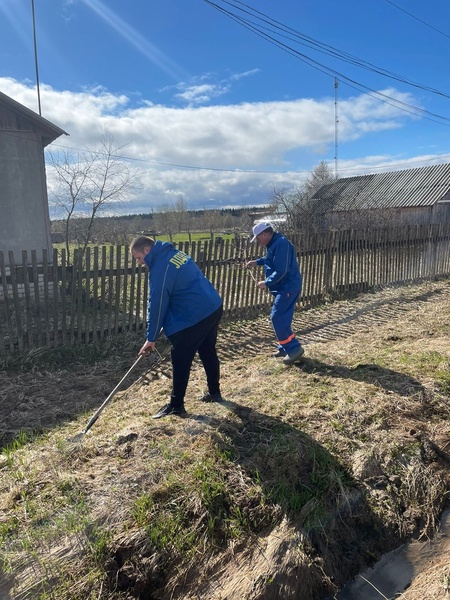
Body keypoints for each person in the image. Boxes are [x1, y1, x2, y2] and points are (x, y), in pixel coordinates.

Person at [130, 235, 223, 418]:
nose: (140, 263)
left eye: (139, 258)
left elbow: (157, 303)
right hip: (211, 305)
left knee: (180, 357)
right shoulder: (173, 253)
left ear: (147, 250)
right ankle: (214, 392)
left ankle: (176, 405)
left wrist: (151, 337)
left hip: (197, 314)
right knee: (207, 350)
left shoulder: (161, 267)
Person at [246, 222, 304, 365]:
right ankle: (284, 347)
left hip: (288, 287)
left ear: (266, 234)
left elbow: (281, 270)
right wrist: (257, 262)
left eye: (258, 238)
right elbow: (270, 260)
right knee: (282, 318)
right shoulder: (274, 243)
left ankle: (294, 349)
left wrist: (266, 283)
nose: (258, 242)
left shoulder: (281, 244)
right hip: (284, 287)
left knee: (277, 317)